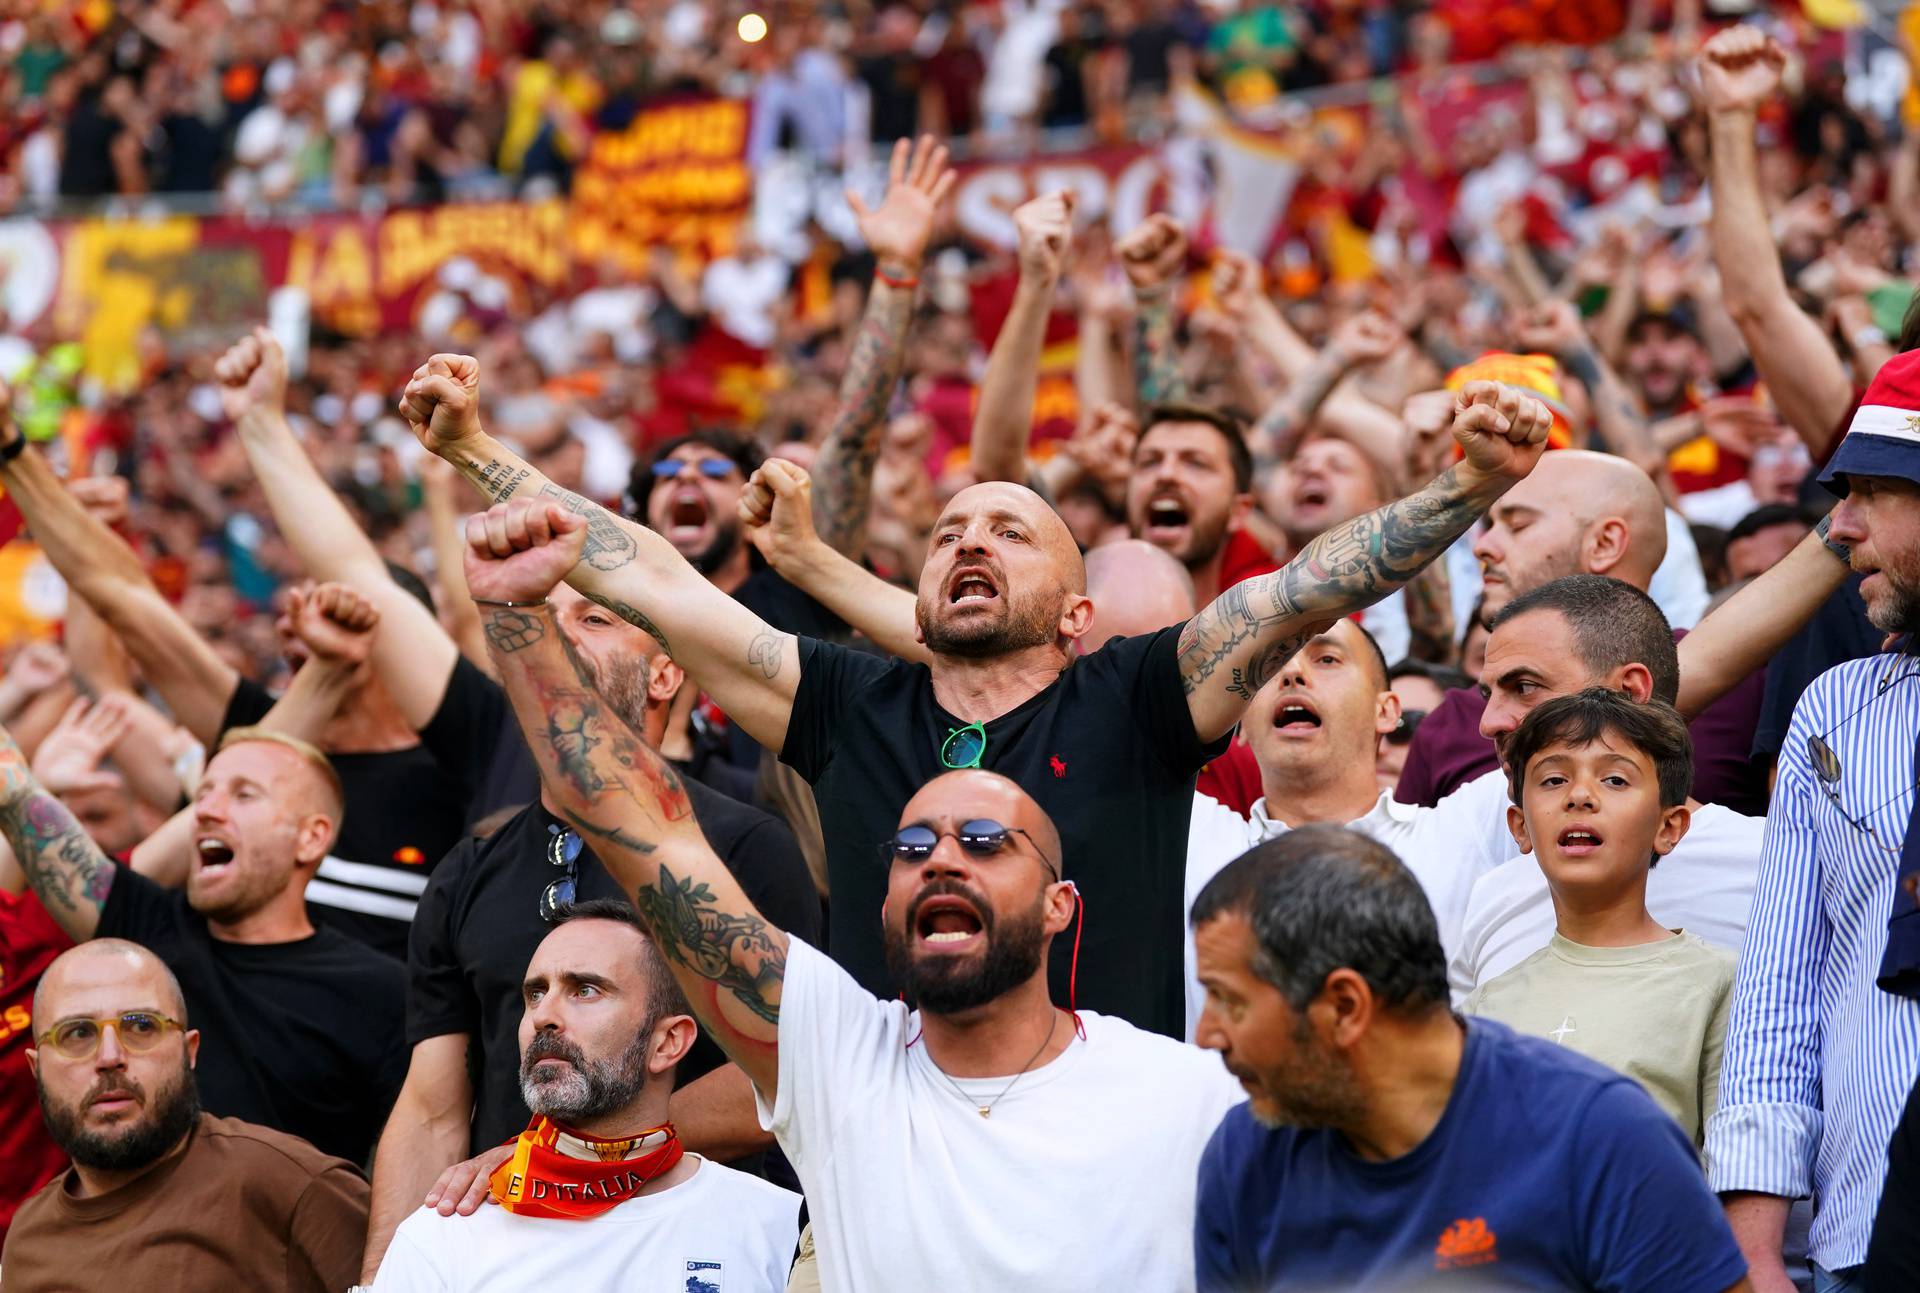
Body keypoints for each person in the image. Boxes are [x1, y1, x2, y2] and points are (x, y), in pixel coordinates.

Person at [398, 340, 1555, 1039]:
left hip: (1094, 1136)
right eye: (950, 530)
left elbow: (1300, 591)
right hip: (884, 1137)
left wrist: (1468, 484)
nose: (968, 541)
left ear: (1079, 611)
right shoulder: (854, 704)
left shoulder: (1139, 697)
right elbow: (659, 577)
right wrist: (483, 458)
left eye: (1011, 529)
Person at [460, 498, 1244, 1291]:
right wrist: (515, 620)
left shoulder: (1176, 1089)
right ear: (880, 905)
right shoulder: (840, 1059)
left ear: (1060, 903)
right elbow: (637, 822)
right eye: (910, 846)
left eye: (983, 842)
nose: (942, 861)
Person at [361, 576, 819, 1279]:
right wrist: (383, 1276)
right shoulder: (466, 870)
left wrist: (571, 1152)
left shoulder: (743, 850)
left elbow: (798, 1073)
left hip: (699, 1246)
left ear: (667, 673)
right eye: (544, 622)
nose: (559, 635)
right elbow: (429, 1110)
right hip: (507, 1252)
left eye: (595, 618)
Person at [0, 388, 467, 960]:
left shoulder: (460, 775)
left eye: (332, 609)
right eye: (298, 608)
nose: (296, 625)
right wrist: (16, 453)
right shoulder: (263, 737)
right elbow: (116, 627)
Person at [1190, 826, 1754, 1292]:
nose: (1207, 1033)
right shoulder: (1245, 1158)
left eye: (1230, 1001)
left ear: (1344, 1006)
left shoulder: (1601, 1139)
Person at [1180, 611, 1759, 1035]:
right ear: (1237, 719)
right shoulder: (1189, 842)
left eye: (1326, 658)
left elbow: (1621, 714)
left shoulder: (1460, 830)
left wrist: (1831, 537)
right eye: (1272, 666)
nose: (1293, 676)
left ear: (1388, 710)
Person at [1706, 350, 1920, 1291]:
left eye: (1875, 491)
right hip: (1862, 1234)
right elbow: (1779, 990)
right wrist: (1753, 1246)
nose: (1842, 525)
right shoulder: (1836, 710)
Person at [0, 719, 406, 1165]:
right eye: (205, 791)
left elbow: (411, 1158)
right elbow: (23, 809)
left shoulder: (382, 992)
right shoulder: (150, 930)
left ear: (311, 837)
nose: (207, 809)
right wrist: (15, 785)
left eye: (243, 793)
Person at [371, 900, 799, 1291]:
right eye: (535, 993)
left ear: (667, 1043)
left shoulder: (779, 1228)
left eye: (585, 990)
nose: (543, 1016)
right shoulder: (446, 1233)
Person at [1396, 447, 1808, 814]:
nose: (1483, 547)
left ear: (1606, 543)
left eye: (1517, 525)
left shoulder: (1747, 690)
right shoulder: (1451, 723)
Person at [1449, 576, 1771, 997]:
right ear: (1518, 828)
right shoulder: (1493, 899)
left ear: (1629, 692)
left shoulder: (1769, 865)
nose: (1488, 723)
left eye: (1525, 687)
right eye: (1488, 695)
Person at [1, 940, 368, 1290]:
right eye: (77, 1032)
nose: (110, 1056)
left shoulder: (293, 1188)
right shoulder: (28, 1237)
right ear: (37, 1069)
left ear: (188, 1051)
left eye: (141, 1026)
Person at [1464, 689, 1735, 1146]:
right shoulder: (1484, 1007)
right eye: (1552, 780)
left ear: (1668, 828)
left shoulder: (1719, 985)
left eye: (1614, 780)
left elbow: (1731, 1169)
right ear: (1521, 827)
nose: (1580, 796)